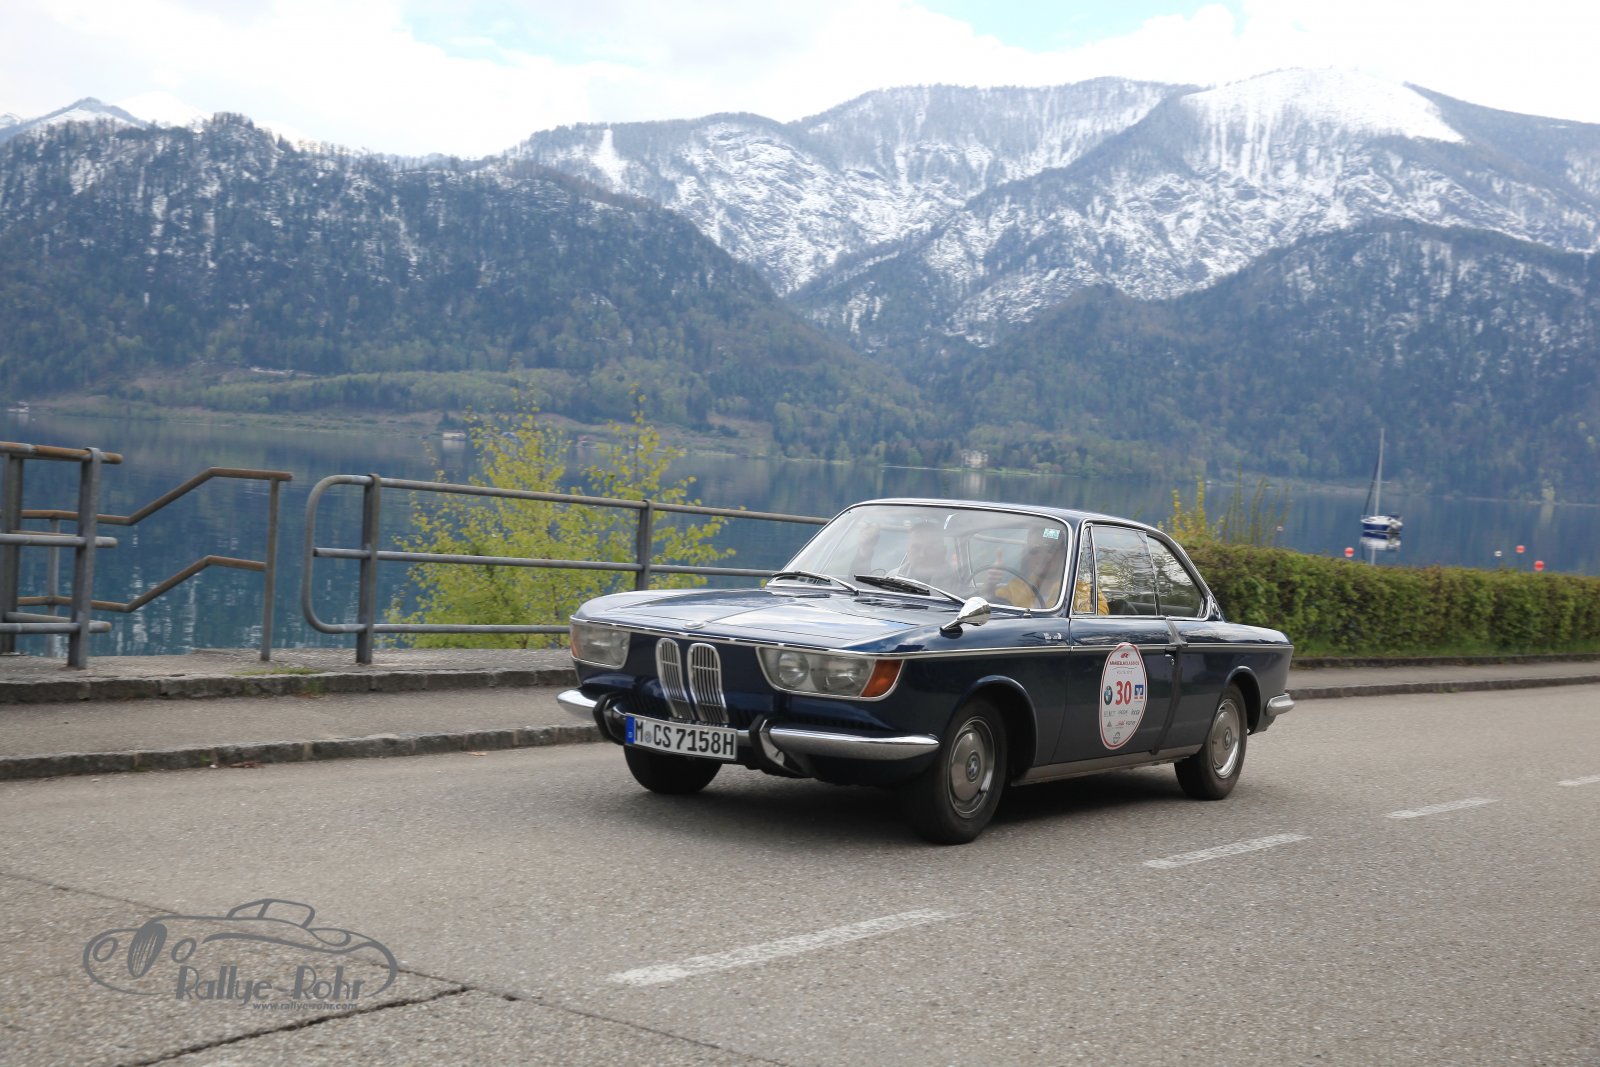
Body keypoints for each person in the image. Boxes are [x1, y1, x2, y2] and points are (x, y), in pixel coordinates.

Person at [994, 528, 1066, 608]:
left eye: (1050, 549)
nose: (1042, 556)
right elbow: (991, 606)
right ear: (1027, 555)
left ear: (1064, 553)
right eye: (1034, 550)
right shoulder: (1016, 586)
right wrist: (990, 585)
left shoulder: (1073, 591)